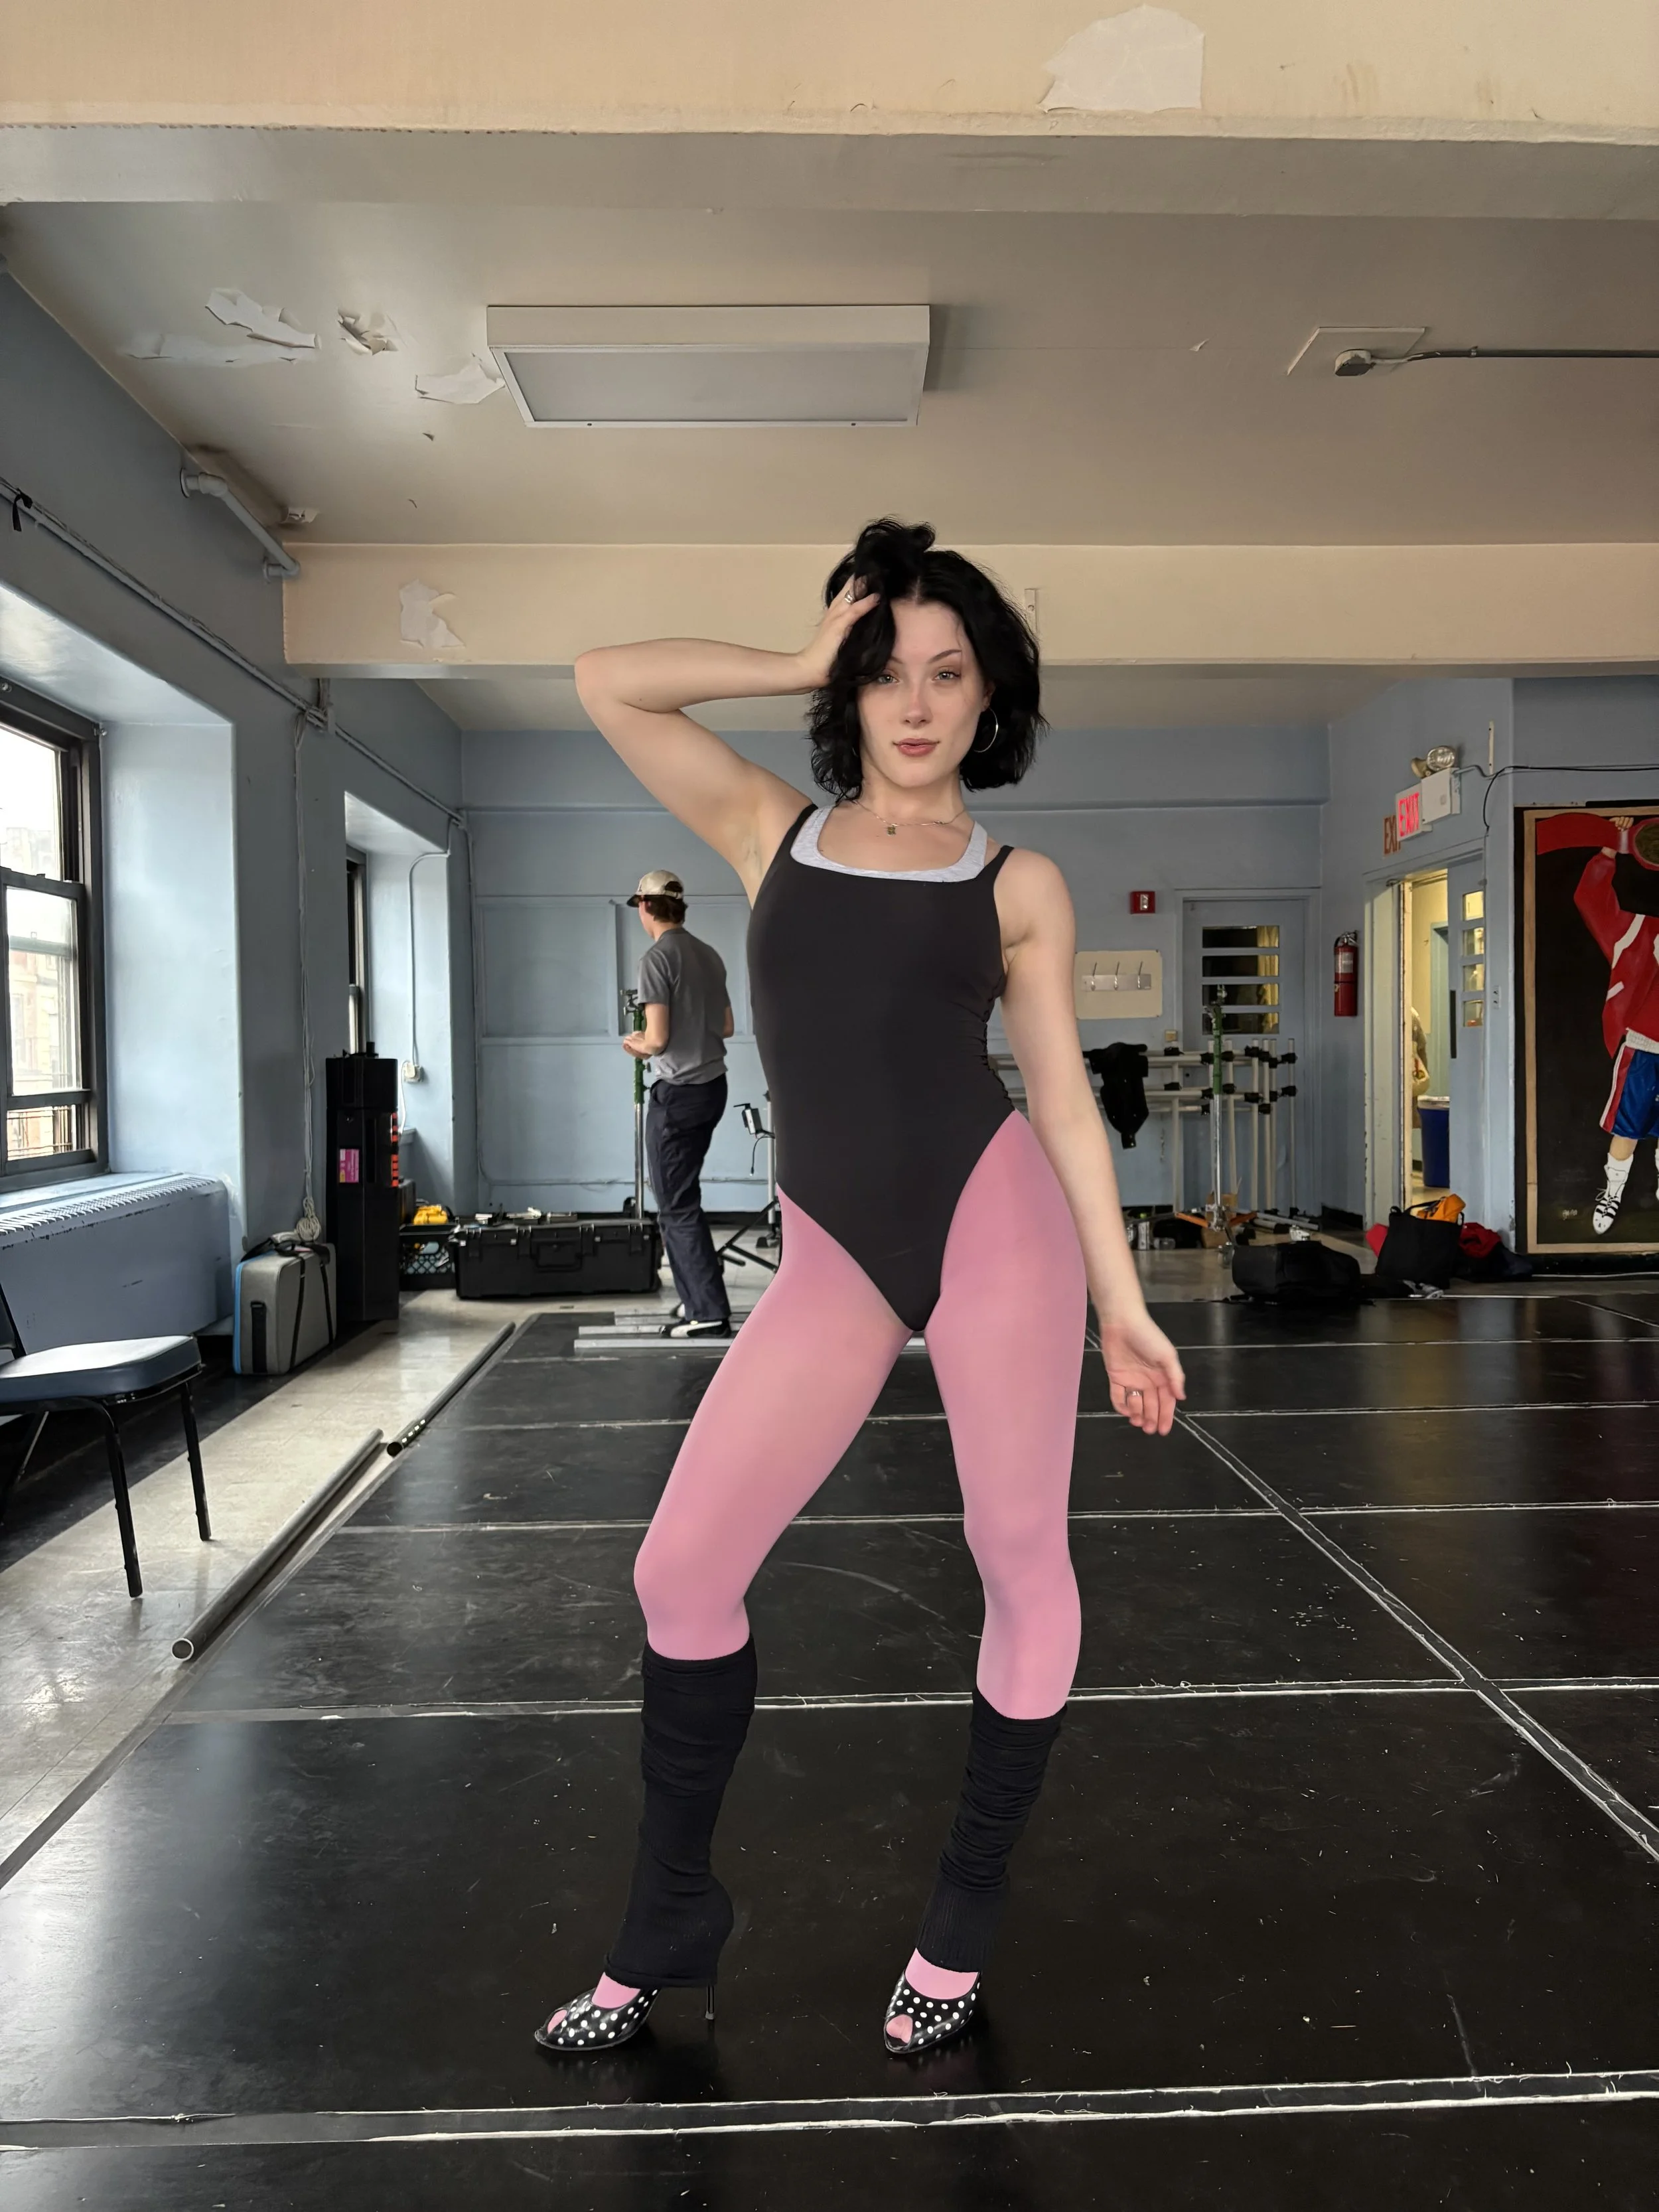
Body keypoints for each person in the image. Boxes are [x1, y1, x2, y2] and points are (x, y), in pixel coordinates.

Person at [534, 517, 1186, 2061]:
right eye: (885, 670)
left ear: (987, 698)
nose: (912, 700)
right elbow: (605, 682)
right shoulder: (772, 831)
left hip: (994, 1223)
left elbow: (1063, 1100)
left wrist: (1122, 1296)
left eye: (946, 672)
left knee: (1017, 1549)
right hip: (830, 1248)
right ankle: (671, 1913)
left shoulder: (1018, 882)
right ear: (851, 685)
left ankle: (960, 1919)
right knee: (678, 1574)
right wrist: (789, 657)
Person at [626, 868, 735, 1338]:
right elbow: (726, 1027)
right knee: (684, 1198)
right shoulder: (708, 955)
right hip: (713, 1087)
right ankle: (698, 1301)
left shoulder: (656, 959)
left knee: (675, 1204)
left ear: (645, 906)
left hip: (680, 1094)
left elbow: (659, 1038)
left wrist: (637, 1044)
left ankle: (707, 1310)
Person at [1573, 815, 1659, 1234]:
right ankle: (1612, 1193)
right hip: (1644, 1045)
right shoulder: (1636, 931)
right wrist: (1611, 844)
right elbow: (1591, 899)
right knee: (1627, 1127)